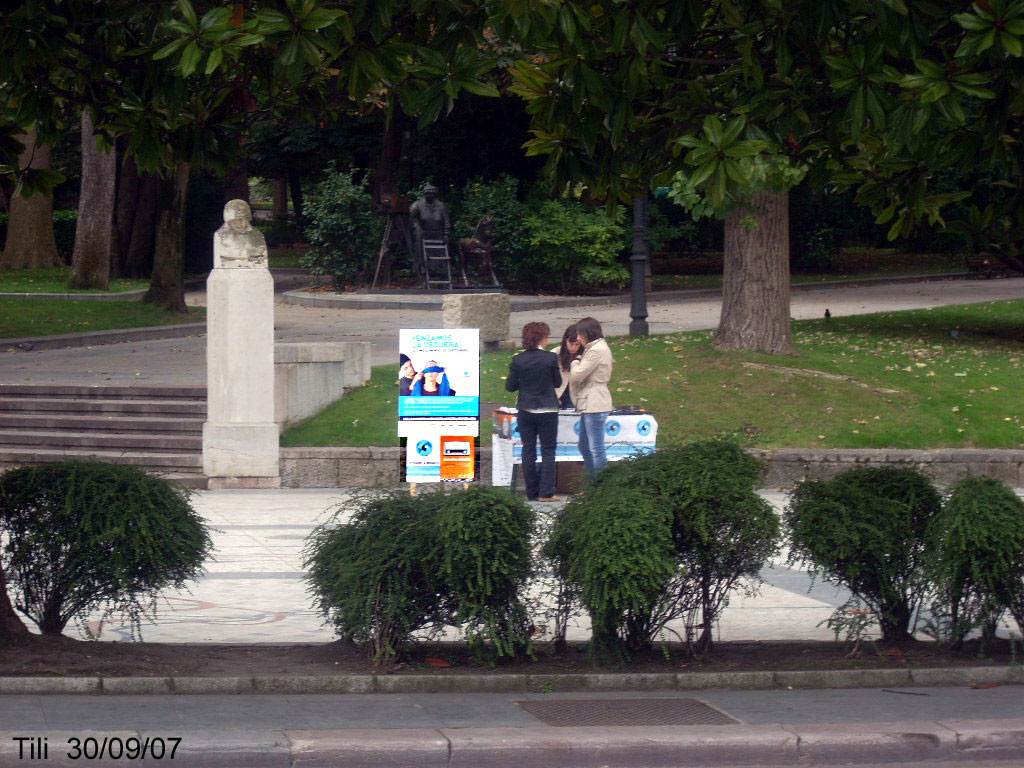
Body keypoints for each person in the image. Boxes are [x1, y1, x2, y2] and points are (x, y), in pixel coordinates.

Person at [506, 322, 562, 502]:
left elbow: (510, 386)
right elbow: (558, 382)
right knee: (548, 450)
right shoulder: (550, 358)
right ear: (541, 338)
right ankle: (546, 493)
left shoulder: (518, 360)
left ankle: (531, 492)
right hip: (548, 409)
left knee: (528, 449)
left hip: (526, 409)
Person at [569, 316, 613, 478]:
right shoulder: (593, 348)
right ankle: (593, 480)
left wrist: (575, 361)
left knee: (596, 447)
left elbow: (577, 375)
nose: (578, 338)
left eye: (580, 334)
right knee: (584, 446)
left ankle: (599, 483)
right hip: (590, 402)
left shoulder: (596, 350)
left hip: (595, 402)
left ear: (588, 333)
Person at [554, 324, 580, 409]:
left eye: (577, 344)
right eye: (571, 343)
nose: (573, 347)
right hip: (557, 394)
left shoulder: (584, 355)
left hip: (574, 395)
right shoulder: (555, 354)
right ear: (565, 340)